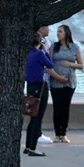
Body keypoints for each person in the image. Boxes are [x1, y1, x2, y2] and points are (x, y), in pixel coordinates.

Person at [24, 26, 64, 156]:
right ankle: (32, 148)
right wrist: (45, 50)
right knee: (38, 117)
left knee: (32, 116)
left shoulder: (27, 54)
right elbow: (50, 64)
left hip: (30, 86)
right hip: (40, 86)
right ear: (39, 42)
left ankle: (27, 146)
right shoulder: (39, 53)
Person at [49, 25, 83, 144]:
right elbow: (49, 63)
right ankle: (57, 134)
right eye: (57, 32)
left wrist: (70, 64)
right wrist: (56, 76)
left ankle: (64, 134)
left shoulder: (74, 48)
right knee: (57, 108)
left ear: (67, 33)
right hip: (56, 82)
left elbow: (81, 65)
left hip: (70, 82)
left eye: (60, 32)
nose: (58, 34)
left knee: (65, 108)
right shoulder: (54, 47)